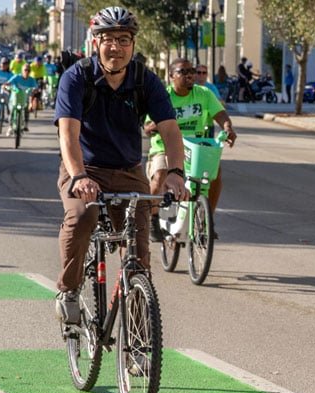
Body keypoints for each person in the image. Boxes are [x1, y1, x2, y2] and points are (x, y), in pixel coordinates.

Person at [53, 6, 189, 324]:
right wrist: (79, 176)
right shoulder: (77, 78)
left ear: (132, 43)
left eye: (124, 39)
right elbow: (68, 135)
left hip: (129, 172)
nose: (116, 46)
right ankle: (68, 290)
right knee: (82, 214)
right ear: (96, 42)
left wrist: (175, 173)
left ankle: (139, 344)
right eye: (109, 38)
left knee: (138, 259)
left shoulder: (145, 81)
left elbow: (169, 129)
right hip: (84, 169)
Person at [144, 58, 236, 241]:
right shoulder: (163, 96)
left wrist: (227, 127)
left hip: (196, 148)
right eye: (183, 72)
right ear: (171, 76)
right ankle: (153, 217)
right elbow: (147, 126)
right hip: (166, 148)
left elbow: (220, 115)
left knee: (214, 173)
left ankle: (206, 218)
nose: (190, 75)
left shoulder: (204, 94)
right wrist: (153, 126)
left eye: (192, 71)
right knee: (161, 172)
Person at [3, 63, 38, 133]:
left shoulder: (32, 80)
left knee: (26, 110)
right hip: (15, 98)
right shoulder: (16, 77)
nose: (27, 72)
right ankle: (10, 127)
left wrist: (34, 89)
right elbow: (9, 82)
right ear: (22, 71)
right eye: (25, 70)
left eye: (28, 70)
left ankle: (25, 125)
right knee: (12, 111)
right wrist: (5, 85)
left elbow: (35, 87)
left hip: (24, 99)